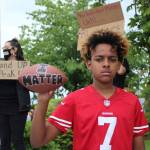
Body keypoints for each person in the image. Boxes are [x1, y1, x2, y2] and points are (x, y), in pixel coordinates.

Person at [30, 30, 149, 150]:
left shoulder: (132, 101)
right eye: (99, 59)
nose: (106, 64)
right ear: (89, 64)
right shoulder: (74, 99)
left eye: (112, 59)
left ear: (119, 65)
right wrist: (42, 102)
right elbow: (38, 141)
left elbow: (139, 146)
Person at [0, 38, 31, 150]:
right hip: (1, 108)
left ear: (14, 50)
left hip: (18, 108)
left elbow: (31, 86)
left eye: (6, 48)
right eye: (3, 48)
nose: (3, 50)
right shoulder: (1, 65)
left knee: (18, 140)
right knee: (4, 141)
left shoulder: (24, 67)